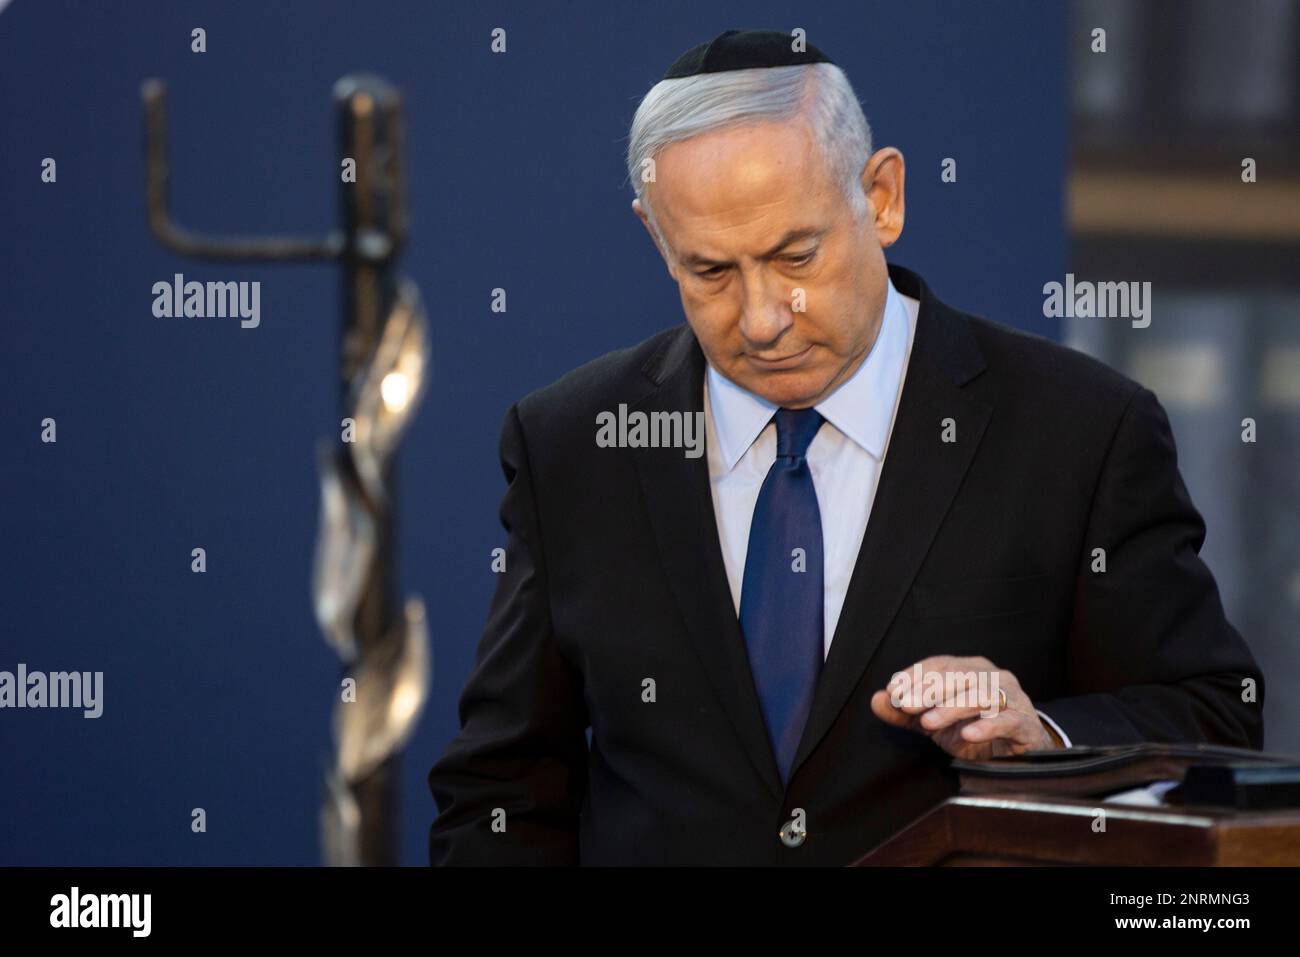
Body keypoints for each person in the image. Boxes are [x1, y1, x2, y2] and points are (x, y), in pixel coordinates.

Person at [427, 29, 1264, 866]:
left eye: (796, 255)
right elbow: (500, 791)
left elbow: (1213, 714)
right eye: (711, 272)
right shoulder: (572, 445)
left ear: (884, 197)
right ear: (656, 236)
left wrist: (1045, 731)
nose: (761, 319)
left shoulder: (1080, 428)